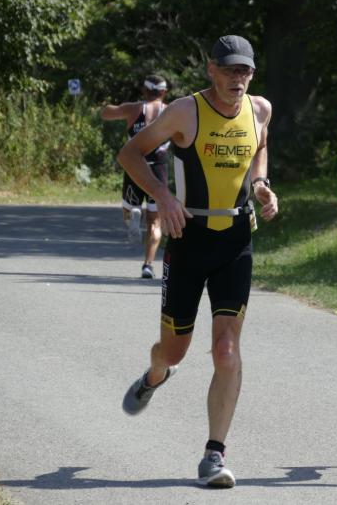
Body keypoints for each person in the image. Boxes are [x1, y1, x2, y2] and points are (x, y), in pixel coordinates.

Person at [117, 35, 278, 488]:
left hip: (236, 242)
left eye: (244, 70)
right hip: (188, 239)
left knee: (226, 350)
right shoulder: (184, 111)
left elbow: (260, 147)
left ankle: (214, 455)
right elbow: (130, 154)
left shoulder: (260, 109)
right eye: (229, 69)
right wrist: (163, 196)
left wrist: (261, 185)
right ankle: (153, 376)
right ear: (211, 69)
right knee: (173, 352)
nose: (237, 78)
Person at [100, 75, 171, 279]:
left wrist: (111, 106)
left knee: (127, 210)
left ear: (144, 90)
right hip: (158, 170)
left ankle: (133, 214)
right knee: (155, 223)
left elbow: (105, 113)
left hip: (135, 168)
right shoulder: (171, 112)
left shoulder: (133, 109)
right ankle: (148, 265)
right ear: (164, 92)